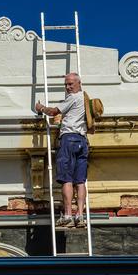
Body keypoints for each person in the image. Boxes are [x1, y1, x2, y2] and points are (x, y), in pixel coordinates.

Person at [35, 72, 89, 228]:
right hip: (82, 141)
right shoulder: (85, 99)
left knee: (67, 179)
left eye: (71, 84)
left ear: (79, 83)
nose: (67, 87)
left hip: (69, 139)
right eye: (66, 84)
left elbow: (53, 112)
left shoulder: (73, 98)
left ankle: (67, 215)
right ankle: (80, 215)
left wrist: (40, 107)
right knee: (80, 181)